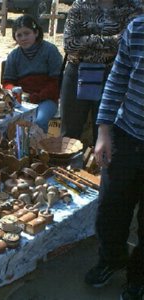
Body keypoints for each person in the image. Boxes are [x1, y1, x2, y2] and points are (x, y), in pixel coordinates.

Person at [85, 15, 144, 300]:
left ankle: (138, 278)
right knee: (110, 209)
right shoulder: (138, 29)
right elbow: (116, 80)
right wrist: (103, 132)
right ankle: (112, 259)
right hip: (126, 135)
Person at [60, 0, 141, 146]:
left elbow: (128, 42)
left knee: (104, 135)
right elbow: (70, 44)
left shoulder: (132, 6)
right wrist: (111, 41)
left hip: (113, 77)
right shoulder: (80, 4)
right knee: (69, 136)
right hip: (77, 74)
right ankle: (67, 168)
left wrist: (86, 41)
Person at [1, 14, 62, 133]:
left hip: (47, 99)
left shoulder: (50, 50)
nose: (23, 38)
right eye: (19, 35)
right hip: (22, 101)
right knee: (9, 122)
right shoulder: (14, 55)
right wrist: (18, 93)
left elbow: (56, 81)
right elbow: (7, 82)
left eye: (27, 33)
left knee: (39, 122)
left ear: (36, 33)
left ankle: (38, 149)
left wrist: (39, 96)